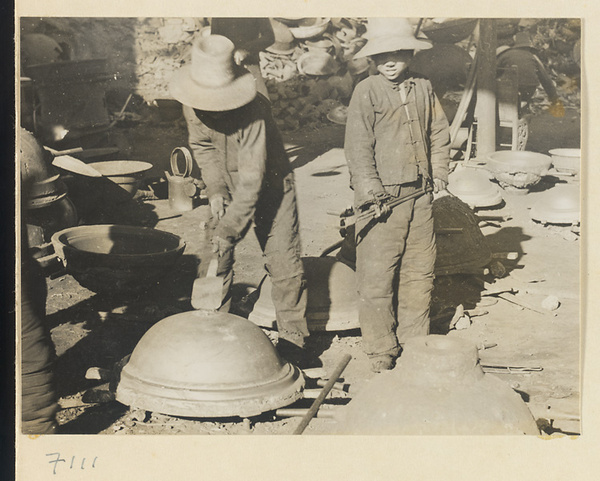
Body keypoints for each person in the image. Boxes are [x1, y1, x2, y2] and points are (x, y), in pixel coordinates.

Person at [169, 34, 311, 363]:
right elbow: (203, 148)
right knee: (214, 262)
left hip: (271, 184)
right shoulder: (191, 101)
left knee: (284, 264)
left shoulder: (254, 110)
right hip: (230, 182)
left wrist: (229, 227)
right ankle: (212, 342)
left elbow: (252, 179)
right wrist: (217, 189)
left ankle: (294, 345)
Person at [344, 18, 451, 372]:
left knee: (420, 271)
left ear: (410, 53)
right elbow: (358, 149)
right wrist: (372, 191)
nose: (390, 61)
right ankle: (381, 349)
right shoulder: (367, 91)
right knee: (376, 275)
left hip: (420, 196)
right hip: (383, 201)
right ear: (372, 58)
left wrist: (440, 174)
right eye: (382, 55)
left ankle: (415, 341)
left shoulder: (423, 86)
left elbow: (438, 133)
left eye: (398, 54)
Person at [209, 18, 274, 100]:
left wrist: (246, 50)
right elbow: (214, 38)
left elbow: (270, 37)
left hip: (249, 62)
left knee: (262, 102)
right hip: (225, 64)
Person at [496, 32, 562, 112]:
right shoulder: (533, 57)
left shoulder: (505, 55)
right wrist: (554, 98)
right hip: (529, 90)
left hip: (510, 89)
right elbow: (545, 79)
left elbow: (493, 73)